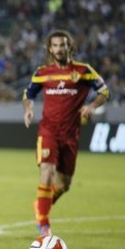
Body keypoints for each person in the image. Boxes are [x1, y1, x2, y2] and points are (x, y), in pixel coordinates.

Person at [23, 30, 109, 236]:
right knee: (47, 172)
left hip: (70, 134)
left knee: (64, 184)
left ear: (69, 46)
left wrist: (92, 106)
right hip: (48, 131)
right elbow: (29, 93)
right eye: (55, 46)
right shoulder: (42, 72)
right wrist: (28, 108)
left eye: (62, 45)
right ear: (49, 49)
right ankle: (43, 224)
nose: (59, 49)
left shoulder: (83, 71)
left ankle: (41, 205)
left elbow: (104, 91)